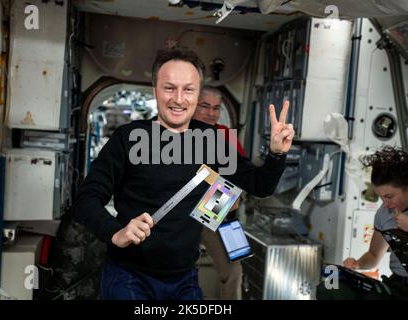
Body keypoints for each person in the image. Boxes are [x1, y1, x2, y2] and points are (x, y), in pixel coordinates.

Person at [72, 48, 295, 300]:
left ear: (197, 93)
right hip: (129, 275)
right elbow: (85, 200)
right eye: (169, 88)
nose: (179, 99)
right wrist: (115, 231)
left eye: (188, 89)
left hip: (184, 278)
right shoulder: (128, 138)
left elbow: (260, 185)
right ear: (155, 90)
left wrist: (276, 154)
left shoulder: (212, 141)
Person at [317, 146, 408, 300]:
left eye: (389, 196)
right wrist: (357, 265)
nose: (385, 203)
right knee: (328, 287)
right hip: (397, 285)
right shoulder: (384, 214)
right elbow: (373, 255)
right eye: (381, 197)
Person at [192, 85, 245, 300]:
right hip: (187, 211)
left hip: (223, 212)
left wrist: (229, 194)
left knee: (235, 272)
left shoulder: (225, 135)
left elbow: (239, 177)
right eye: (205, 106)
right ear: (193, 106)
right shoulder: (179, 132)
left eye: (216, 108)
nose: (211, 113)